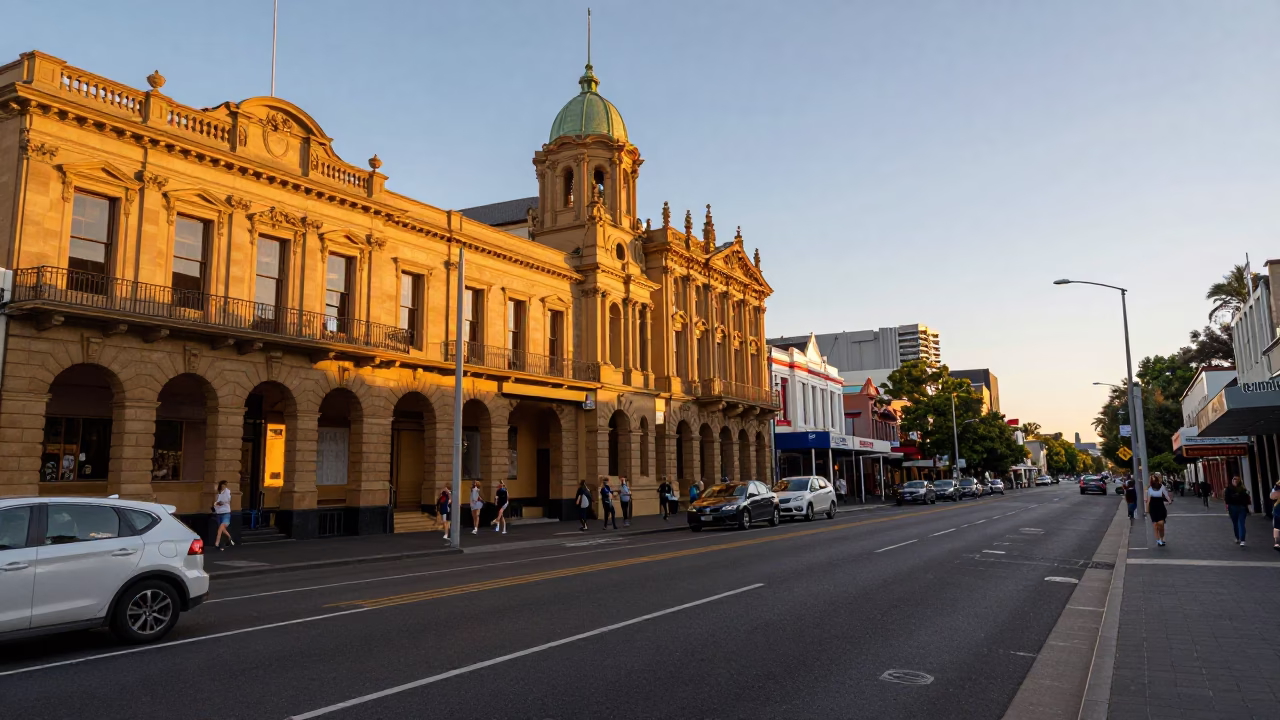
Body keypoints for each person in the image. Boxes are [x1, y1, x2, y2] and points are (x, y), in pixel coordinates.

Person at [1146, 473, 1173, 547]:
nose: (1152, 480)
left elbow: (1166, 495)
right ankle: (1159, 541)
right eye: (1151, 479)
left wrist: (1169, 500)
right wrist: (1147, 510)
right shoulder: (1149, 489)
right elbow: (1148, 500)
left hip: (1160, 507)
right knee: (1155, 525)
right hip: (1153, 508)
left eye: (1153, 478)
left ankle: (1162, 538)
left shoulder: (1162, 487)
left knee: (1161, 524)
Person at [1223, 476, 1250, 546]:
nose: (1235, 481)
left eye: (1235, 480)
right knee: (1240, 523)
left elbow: (1227, 500)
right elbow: (1246, 500)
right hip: (1240, 507)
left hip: (1234, 507)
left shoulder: (1229, 489)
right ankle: (1241, 539)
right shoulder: (1243, 489)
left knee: (1237, 523)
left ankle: (1239, 538)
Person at [213, 480, 234, 550]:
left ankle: (217, 543)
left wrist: (221, 502)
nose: (224, 486)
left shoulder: (227, 491)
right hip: (219, 513)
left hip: (226, 513)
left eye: (225, 485)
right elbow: (215, 503)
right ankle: (229, 538)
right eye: (223, 485)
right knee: (222, 530)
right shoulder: (218, 493)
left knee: (221, 528)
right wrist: (216, 504)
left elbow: (228, 499)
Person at [1270, 480, 1280, 551]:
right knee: (1277, 527)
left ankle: (1277, 543)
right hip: (1278, 509)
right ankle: (1277, 542)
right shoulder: (1277, 486)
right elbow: (1272, 496)